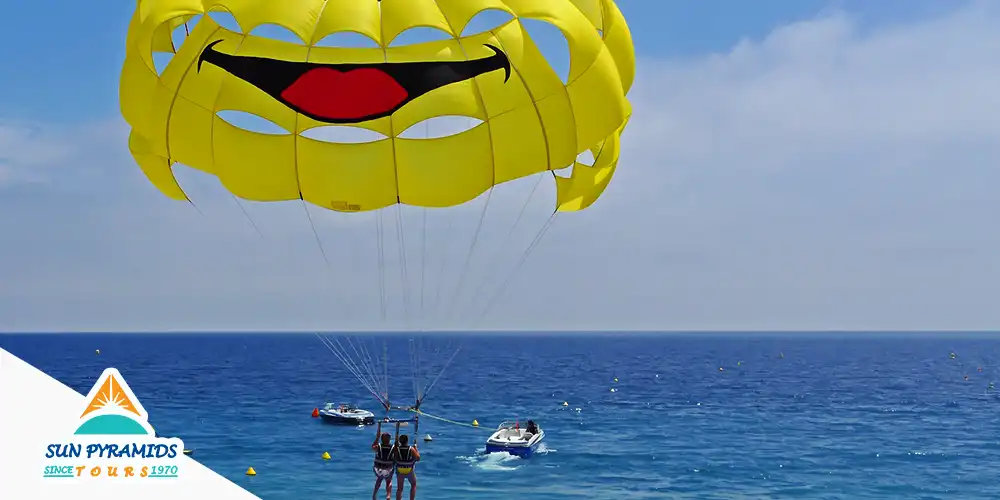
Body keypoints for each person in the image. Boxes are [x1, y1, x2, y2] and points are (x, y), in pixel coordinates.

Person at [391, 434, 420, 500]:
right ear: (407, 441)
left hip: (400, 470)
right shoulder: (411, 449)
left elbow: (394, 458)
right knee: (413, 485)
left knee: (400, 488)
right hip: (409, 470)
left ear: (400, 441)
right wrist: (416, 449)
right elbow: (418, 458)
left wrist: (395, 446)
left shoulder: (397, 449)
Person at [371, 432, 394, 500]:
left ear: (381, 439)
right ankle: (388, 495)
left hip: (378, 469)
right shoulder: (393, 448)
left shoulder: (378, 446)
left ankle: (374, 495)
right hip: (388, 469)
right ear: (389, 439)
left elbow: (373, 447)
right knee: (389, 480)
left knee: (379, 479)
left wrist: (377, 438)